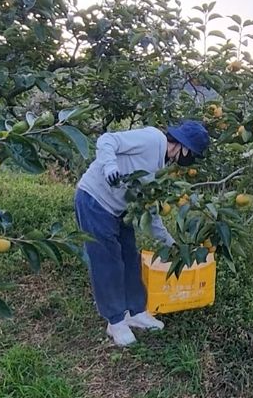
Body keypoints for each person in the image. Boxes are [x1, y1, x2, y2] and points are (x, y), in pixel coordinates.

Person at [74, 120, 210, 346]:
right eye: (192, 154)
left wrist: (169, 243)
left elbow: (149, 209)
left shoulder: (160, 169)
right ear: (184, 147)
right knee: (107, 261)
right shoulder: (151, 139)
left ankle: (135, 312)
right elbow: (107, 140)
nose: (190, 160)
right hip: (94, 200)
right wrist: (109, 167)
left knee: (130, 257)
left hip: (121, 209)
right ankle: (115, 321)